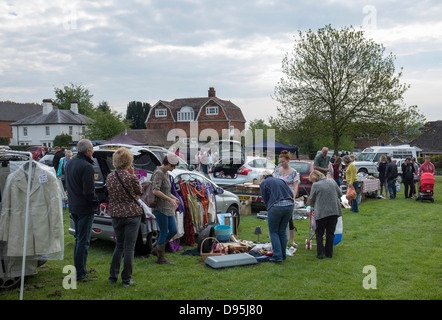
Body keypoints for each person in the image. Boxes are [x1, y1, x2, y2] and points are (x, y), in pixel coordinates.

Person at [106, 147, 143, 287]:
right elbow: (139, 191)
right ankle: (126, 279)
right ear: (129, 161)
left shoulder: (110, 177)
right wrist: (133, 175)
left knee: (119, 246)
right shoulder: (131, 177)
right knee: (129, 248)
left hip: (116, 214)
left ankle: (112, 277)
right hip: (132, 214)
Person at [65, 139, 99, 282]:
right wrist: (97, 202)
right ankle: (80, 274)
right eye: (92, 150)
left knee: (79, 239)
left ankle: (79, 271)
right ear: (87, 151)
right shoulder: (87, 166)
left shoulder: (70, 163)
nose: (92, 152)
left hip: (73, 206)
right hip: (84, 208)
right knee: (82, 241)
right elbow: (88, 192)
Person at [151, 154, 181, 264]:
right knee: (164, 232)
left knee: (173, 230)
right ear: (168, 163)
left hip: (167, 207)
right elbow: (155, 190)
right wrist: (170, 199)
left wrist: (174, 198)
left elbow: (166, 191)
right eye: (173, 166)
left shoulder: (166, 173)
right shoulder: (159, 173)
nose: (173, 169)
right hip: (160, 208)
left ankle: (157, 249)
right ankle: (161, 258)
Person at [260, 170, 294, 262]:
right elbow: (291, 194)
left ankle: (277, 256)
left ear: (263, 177)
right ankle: (283, 255)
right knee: (282, 231)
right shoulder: (281, 180)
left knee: (273, 232)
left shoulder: (264, 183)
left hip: (276, 207)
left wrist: (269, 208)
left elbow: (265, 198)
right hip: (289, 205)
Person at [307, 170, 342, 259]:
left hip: (321, 212)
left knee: (319, 233)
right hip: (334, 211)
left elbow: (311, 200)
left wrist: (308, 201)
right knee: (330, 233)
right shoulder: (332, 181)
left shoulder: (315, 185)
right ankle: (329, 254)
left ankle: (320, 253)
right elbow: (340, 194)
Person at [273, 150, 299, 247]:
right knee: (278, 218)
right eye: (280, 162)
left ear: (288, 160)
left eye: (283, 161)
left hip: (288, 197)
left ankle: (292, 240)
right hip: (278, 197)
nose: (281, 164)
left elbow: (296, 185)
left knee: (290, 219)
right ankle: (278, 237)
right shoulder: (277, 171)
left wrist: (294, 197)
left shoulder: (293, 172)